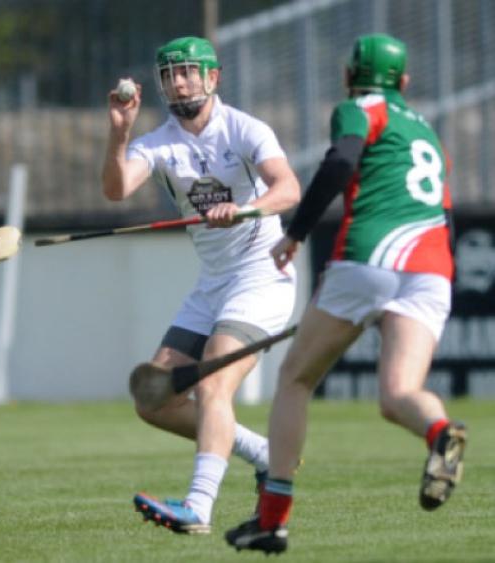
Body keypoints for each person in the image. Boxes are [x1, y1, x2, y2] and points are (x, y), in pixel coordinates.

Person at [225, 33, 466, 554]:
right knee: (398, 394)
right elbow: (444, 218)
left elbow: (339, 163)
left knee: (295, 378)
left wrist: (296, 233)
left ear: (348, 77)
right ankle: (440, 433)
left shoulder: (360, 107)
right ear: (405, 82)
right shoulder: (424, 129)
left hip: (368, 256)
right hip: (432, 268)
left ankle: (272, 519)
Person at [102, 36, 301, 534]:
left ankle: (199, 507)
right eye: (170, 74)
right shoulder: (160, 141)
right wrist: (120, 134)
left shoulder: (246, 129)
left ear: (213, 78)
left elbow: (288, 188)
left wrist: (245, 209)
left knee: (214, 384)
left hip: (261, 277)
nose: (179, 82)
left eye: (189, 72)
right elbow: (116, 189)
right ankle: (263, 452)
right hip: (212, 284)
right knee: (153, 397)